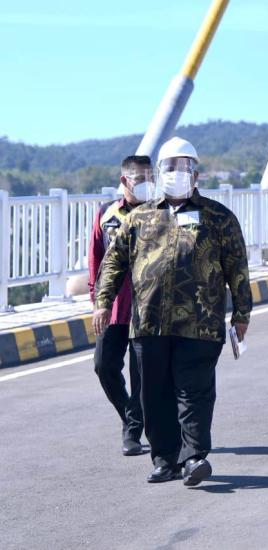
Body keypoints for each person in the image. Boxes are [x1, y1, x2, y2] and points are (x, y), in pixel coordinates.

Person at [93, 137, 252, 486]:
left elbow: (237, 267)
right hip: (148, 324)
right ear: (160, 171)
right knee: (154, 394)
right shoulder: (139, 217)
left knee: (194, 391)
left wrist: (242, 314)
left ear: (196, 173)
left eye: (184, 167)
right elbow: (113, 263)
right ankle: (165, 459)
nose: (177, 173)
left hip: (201, 324)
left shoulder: (219, 217)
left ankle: (194, 456)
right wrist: (103, 302)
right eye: (170, 166)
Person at [88, 155, 154, 456]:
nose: (146, 184)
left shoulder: (160, 211)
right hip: (115, 307)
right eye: (140, 178)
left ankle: (132, 430)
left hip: (149, 308)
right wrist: (97, 301)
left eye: (150, 178)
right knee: (104, 366)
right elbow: (96, 262)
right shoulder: (107, 214)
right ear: (125, 180)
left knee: (142, 373)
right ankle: (130, 415)